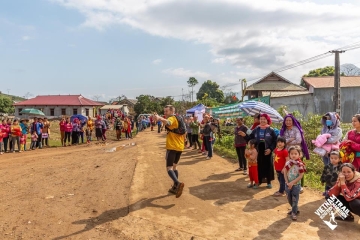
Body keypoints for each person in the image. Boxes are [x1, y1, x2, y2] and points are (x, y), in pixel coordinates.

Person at [154, 105, 185, 198]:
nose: (165, 113)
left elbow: (168, 121)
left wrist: (159, 118)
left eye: (166, 111)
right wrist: (159, 118)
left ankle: (177, 183)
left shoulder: (172, 118)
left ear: (172, 111)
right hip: (180, 146)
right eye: (164, 111)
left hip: (172, 146)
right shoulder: (179, 118)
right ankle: (175, 187)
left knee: (169, 168)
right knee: (174, 167)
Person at [243, 114, 277, 188]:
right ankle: (259, 181)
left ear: (267, 120)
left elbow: (275, 140)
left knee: (268, 165)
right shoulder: (256, 129)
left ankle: (269, 182)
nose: (262, 120)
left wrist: (270, 149)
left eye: (264, 119)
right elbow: (250, 138)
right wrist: (244, 136)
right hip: (258, 150)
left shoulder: (271, 130)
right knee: (259, 165)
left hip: (267, 149)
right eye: (261, 119)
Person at [279, 114, 310, 193]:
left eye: (290, 120)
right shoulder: (283, 130)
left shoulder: (297, 129)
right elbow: (281, 140)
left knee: (299, 168)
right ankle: (290, 184)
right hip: (287, 153)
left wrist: (286, 141)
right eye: (287, 121)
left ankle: (300, 186)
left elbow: (298, 140)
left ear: (293, 121)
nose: (288, 122)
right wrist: (291, 139)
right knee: (289, 169)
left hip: (297, 152)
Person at [284, 146, 306, 221]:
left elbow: (301, 175)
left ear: (299, 155)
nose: (293, 155)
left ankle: (294, 212)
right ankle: (295, 209)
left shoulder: (300, 165)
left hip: (296, 185)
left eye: (295, 153)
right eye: (292, 153)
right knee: (289, 198)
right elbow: (285, 172)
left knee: (295, 199)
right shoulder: (288, 163)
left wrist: (292, 183)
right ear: (289, 154)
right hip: (288, 184)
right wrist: (287, 182)